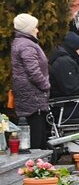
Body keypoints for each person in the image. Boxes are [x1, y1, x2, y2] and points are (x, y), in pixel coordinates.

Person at [10, 13, 51, 149]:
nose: (37, 30)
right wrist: (46, 86)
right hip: (33, 96)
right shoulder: (27, 45)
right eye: (35, 27)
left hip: (29, 94)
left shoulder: (23, 43)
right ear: (28, 29)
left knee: (36, 133)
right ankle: (35, 160)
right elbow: (33, 71)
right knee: (36, 136)